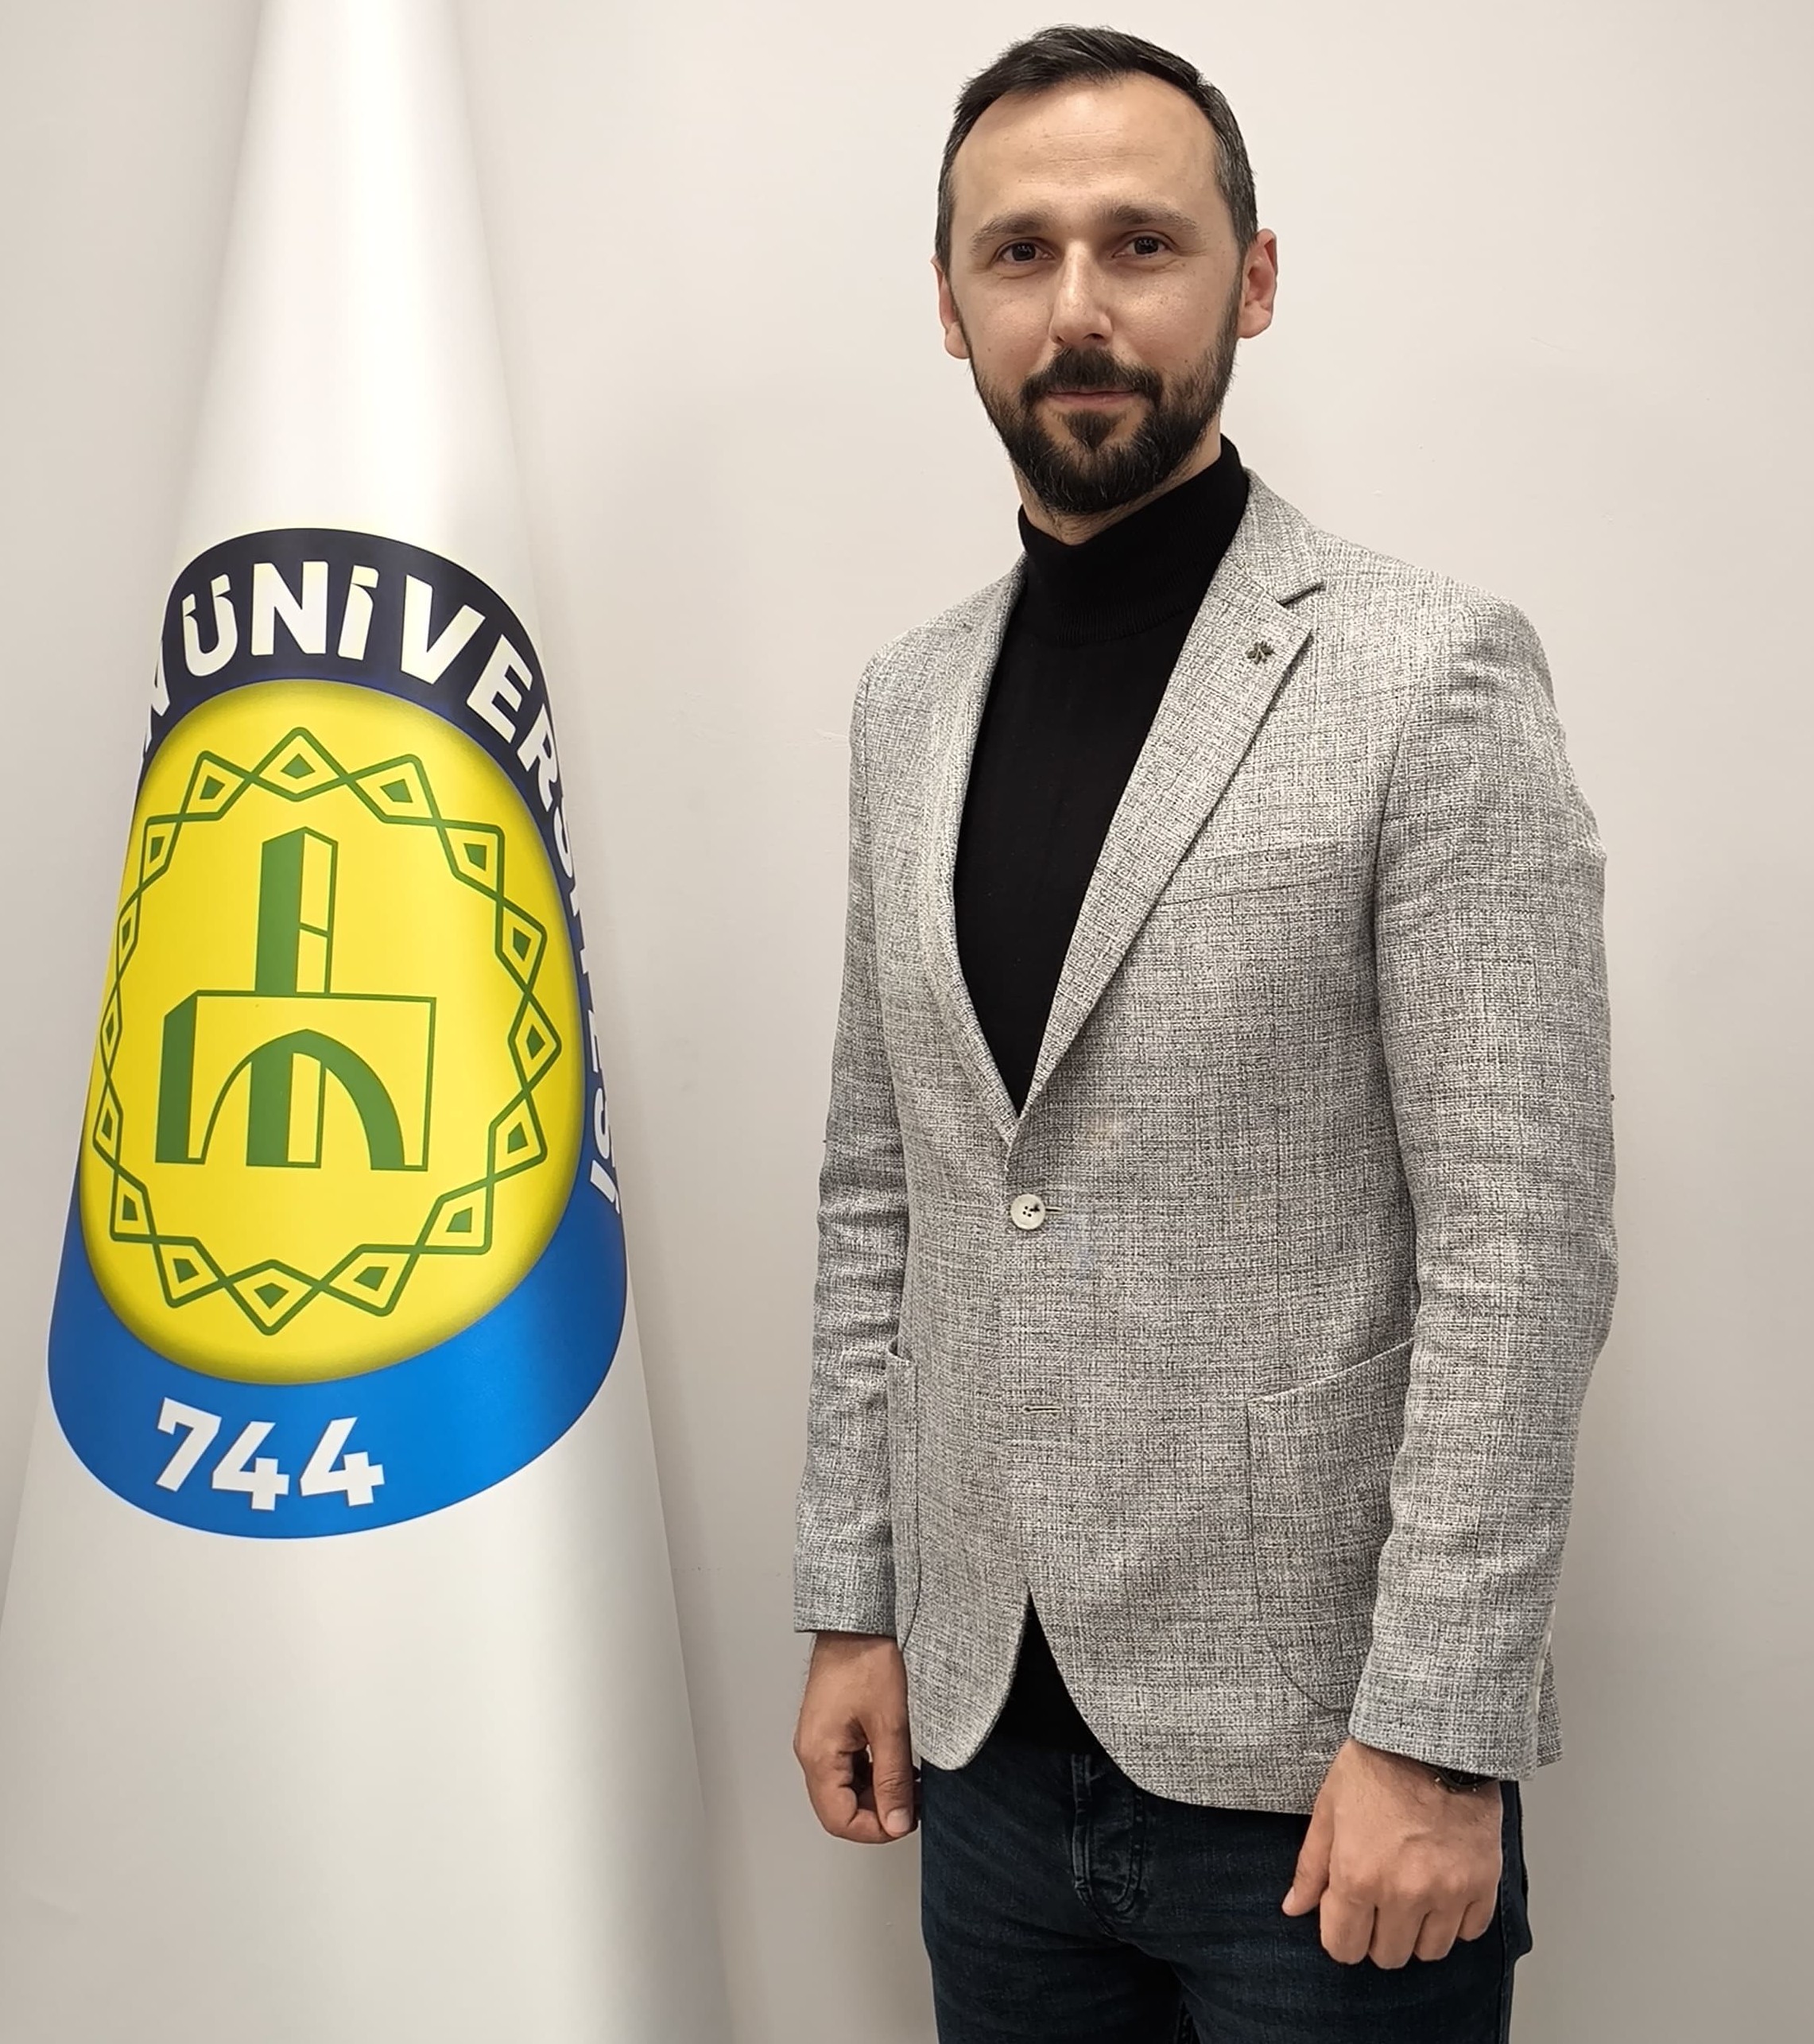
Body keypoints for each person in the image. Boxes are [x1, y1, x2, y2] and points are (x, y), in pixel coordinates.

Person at [790, 23, 1616, 2042]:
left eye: (1140, 243)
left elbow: (1521, 1250)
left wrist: (1435, 1729)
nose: (1077, 306)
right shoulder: (905, 702)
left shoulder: (1429, 674)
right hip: (983, 1751)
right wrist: (854, 1598)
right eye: (1019, 251)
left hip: (1321, 1780)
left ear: (1248, 280)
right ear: (950, 303)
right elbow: (883, 1186)